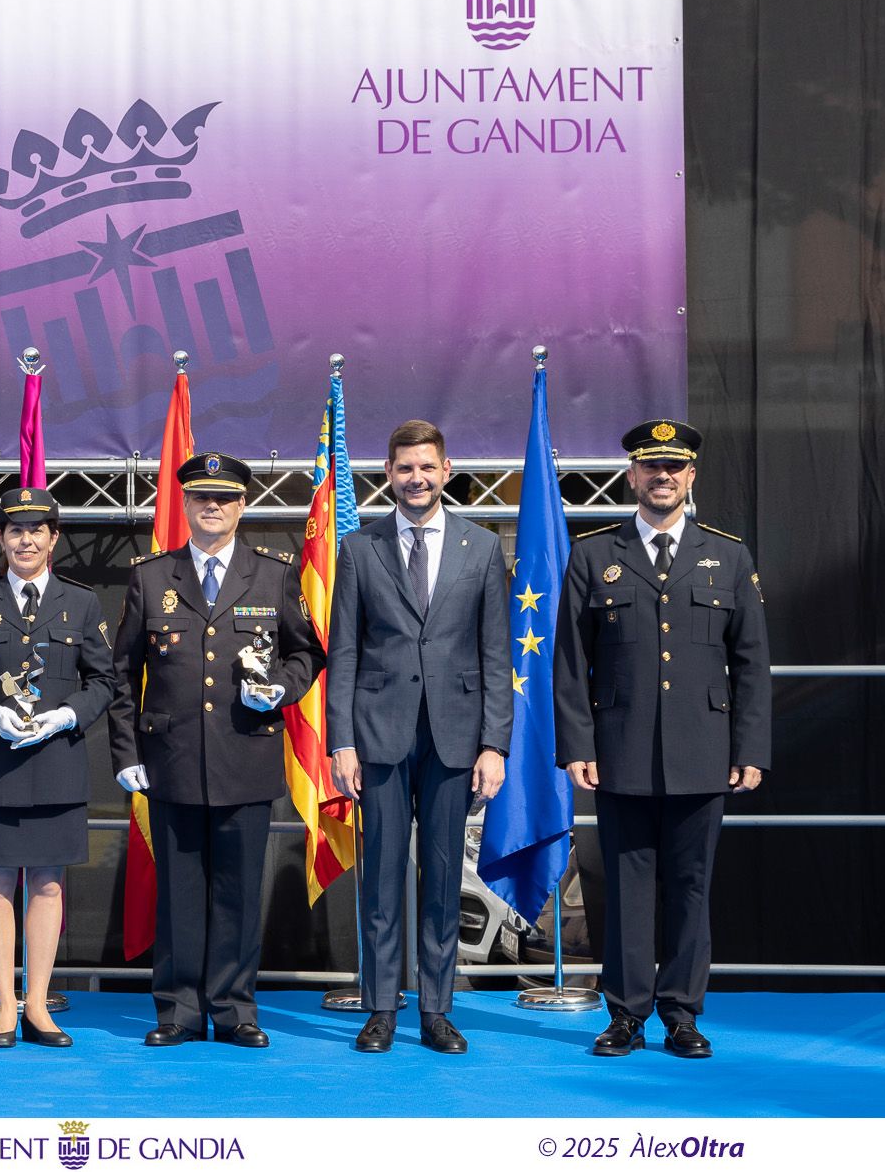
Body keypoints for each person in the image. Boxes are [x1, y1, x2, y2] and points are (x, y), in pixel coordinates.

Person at [554, 420, 771, 1058]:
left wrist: (751, 749)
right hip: (619, 754)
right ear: (632, 476)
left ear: (692, 476)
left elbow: (753, 661)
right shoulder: (595, 555)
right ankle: (626, 1015)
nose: (663, 477)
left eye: (674, 468)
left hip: (705, 754)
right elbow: (569, 661)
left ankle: (681, 1014)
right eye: (651, 467)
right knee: (624, 890)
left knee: (692, 887)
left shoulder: (728, 555)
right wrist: (577, 745)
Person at [108, 452, 322, 1048]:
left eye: (225, 498)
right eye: (202, 496)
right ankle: (177, 1010)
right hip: (170, 762)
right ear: (185, 503)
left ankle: (233, 1009)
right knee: (179, 891)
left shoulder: (274, 574)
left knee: (237, 891)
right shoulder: (152, 576)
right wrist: (126, 754)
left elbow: (307, 652)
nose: (213, 506)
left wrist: (282, 687)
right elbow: (122, 675)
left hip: (246, 756)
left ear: (242, 504)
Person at [326, 419, 513, 1055]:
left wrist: (496, 745)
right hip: (378, 736)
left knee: (441, 878)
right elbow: (344, 652)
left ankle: (436, 1011)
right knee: (379, 878)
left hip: (456, 737)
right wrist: (340, 741)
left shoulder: (482, 547)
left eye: (426, 467)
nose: (416, 478)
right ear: (388, 474)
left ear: (446, 469)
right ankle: (381, 1007)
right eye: (405, 468)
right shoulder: (359, 549)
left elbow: (495, 655)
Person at [0, 487, 117, 1048]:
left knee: (47, 885)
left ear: (54, 538)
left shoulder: (81, 602)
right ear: (0, 538)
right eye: (15, 530)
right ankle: (5, 1007)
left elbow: (105, 681)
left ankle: (39, 1005)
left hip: (58, 761)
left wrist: (66, 716)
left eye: (37, 530)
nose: (26, 539)